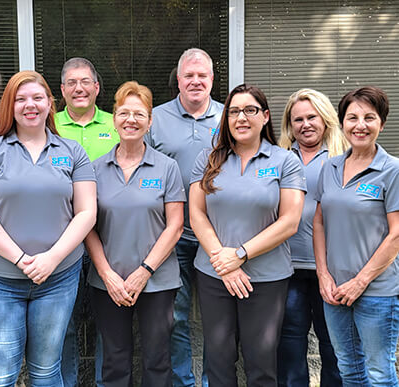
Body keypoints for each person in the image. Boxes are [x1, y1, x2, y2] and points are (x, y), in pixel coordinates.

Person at [0, 70, 97, 386]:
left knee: (46, 371)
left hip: (58, 278)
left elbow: (87, 212)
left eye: (37, 97)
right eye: (20, 99)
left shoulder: (72, 152)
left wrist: (51, 259)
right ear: (9, 106)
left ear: (50, 103)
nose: (30, 105)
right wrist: (20, 258)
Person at [189, 83, 306, 387]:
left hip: (266, 278)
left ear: (265, 116)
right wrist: (222, 262)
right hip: (214, 275)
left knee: (261, 362)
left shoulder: (285, 161)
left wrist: (239, 255)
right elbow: (197, 214)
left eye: (250, 110)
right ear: (226, 119)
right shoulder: (208, 159)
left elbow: (289, 221)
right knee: (218, 359)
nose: (241, 117)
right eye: (234, 111)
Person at [86, 81, 185, 387]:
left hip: (158, 281)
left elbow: (176, 225)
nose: (131, 119)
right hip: (108, 282)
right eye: (124, 113)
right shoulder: (94, 169)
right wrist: (107, 275)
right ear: (114, 118)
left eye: (139, 114)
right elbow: (87, 226)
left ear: (150, 121)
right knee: (114, 360)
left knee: (157, 359)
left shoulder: (167, 168)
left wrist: (145, 271)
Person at [147, 47, 224, 387]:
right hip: (170, 234)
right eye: (189, 76)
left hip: (218, 235)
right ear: (178, 80)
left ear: (212, 80)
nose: (196, 81)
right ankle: (182, 382)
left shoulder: (229, 117)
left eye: (202, 75)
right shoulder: (155, 118)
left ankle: (210, 381)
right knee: (175, 318)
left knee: (217, 318)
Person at [313, 86, 399, 386]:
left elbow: (396, 236)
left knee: (379, 373)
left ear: (382, 124)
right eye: (352, 117)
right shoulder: (331, 166)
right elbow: (320, 222)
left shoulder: (392, 170)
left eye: (369, 118)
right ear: (342, 123)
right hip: (335, 291)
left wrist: (361, 281)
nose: (360, 125)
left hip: (376, 292)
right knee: (348, 368)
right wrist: (323, 276)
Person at [55, 57, 118, 387]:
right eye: (71, 83)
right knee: (62, 324)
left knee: (110, 323)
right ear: (62, 90)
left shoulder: (118, 123)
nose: (79, 88)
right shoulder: (47, 125)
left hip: (110, 239)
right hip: (60, 241)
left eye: (85, 82)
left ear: (96, 87)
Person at [276, 89, 346, 387]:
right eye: (297, 120)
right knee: (289, 349)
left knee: (335, 349)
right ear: (289, 125)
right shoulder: (278, 157)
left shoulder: (343, 157)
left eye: (311, 117)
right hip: (285, 267)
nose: (305, 124)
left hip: (330, 270)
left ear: (325, 118)